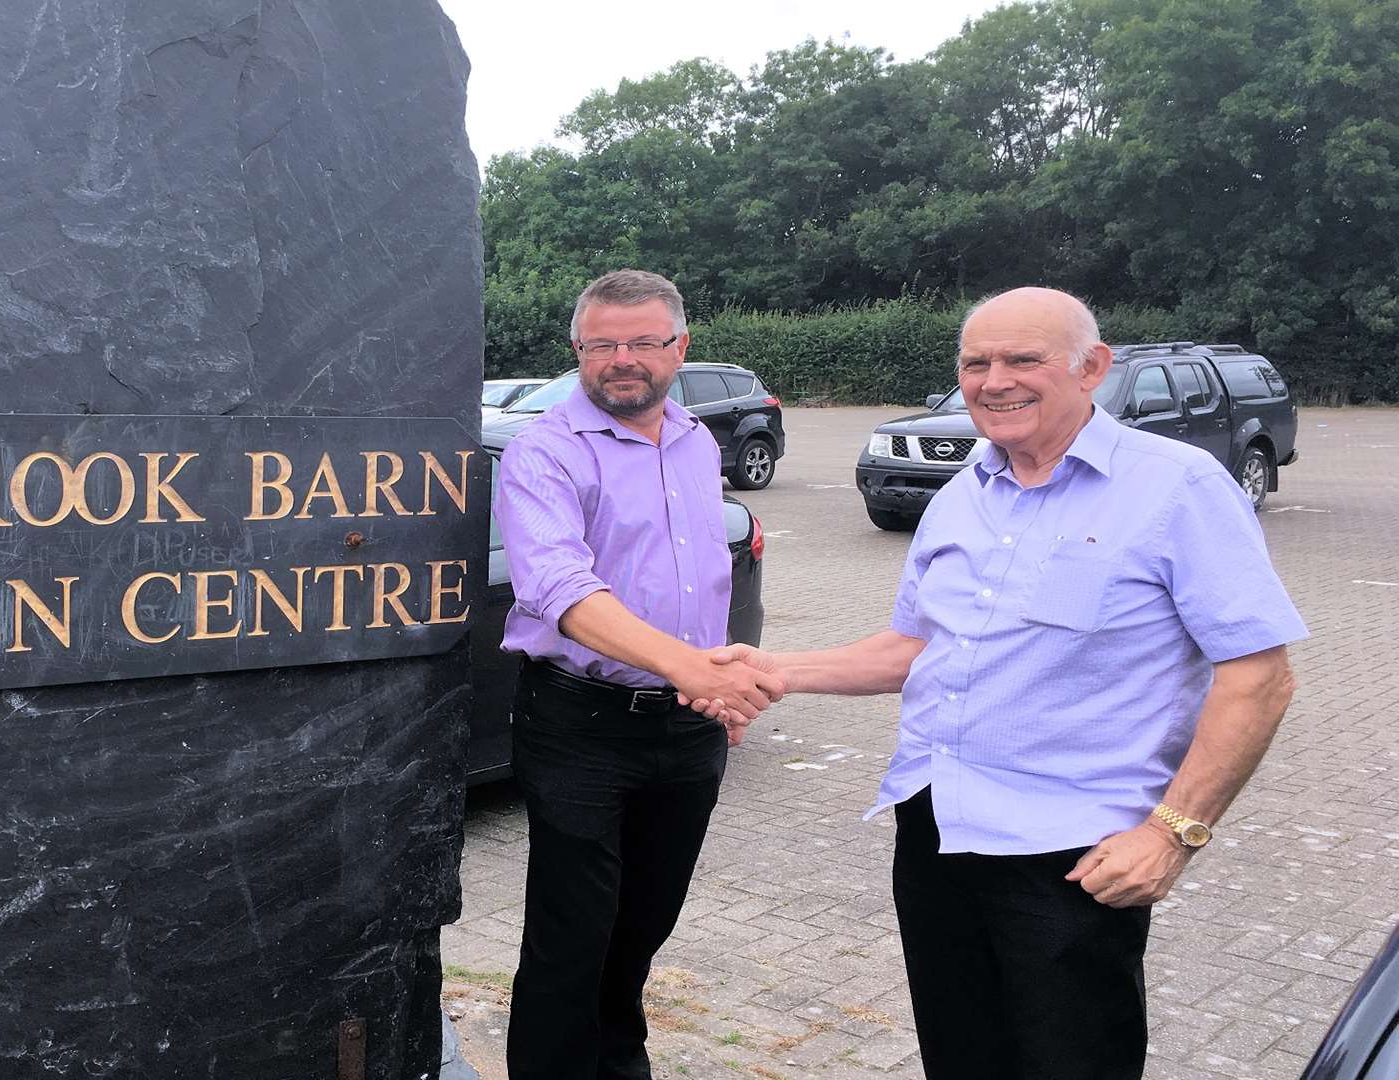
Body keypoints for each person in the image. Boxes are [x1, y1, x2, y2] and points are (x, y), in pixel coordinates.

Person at [698, 287, 1306, 1078]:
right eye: (975, 363)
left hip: (1073, 850)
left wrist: (1172, 833)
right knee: (961, 1054)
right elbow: (914, 646)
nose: (995, 381)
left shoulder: (1177, 487)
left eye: (1024, 359)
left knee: (1070, 1061)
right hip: (936, 823)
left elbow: (1259, 675)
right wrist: (777, 669)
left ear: (1093, 369)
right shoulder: (963, 496)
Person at [494, 269, 782, 1080]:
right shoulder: (544, 450)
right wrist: (696, 666)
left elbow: (700, 581)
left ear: (679, 348)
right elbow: (561, 591)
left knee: (643, 928)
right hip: (580, 728)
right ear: (578, 352)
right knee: (571, 940)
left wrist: (715, 678)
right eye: (602, 344)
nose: (622, 359)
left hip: (689, 727)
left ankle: (621, 1067)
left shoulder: (695, 441)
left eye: (643, 342)